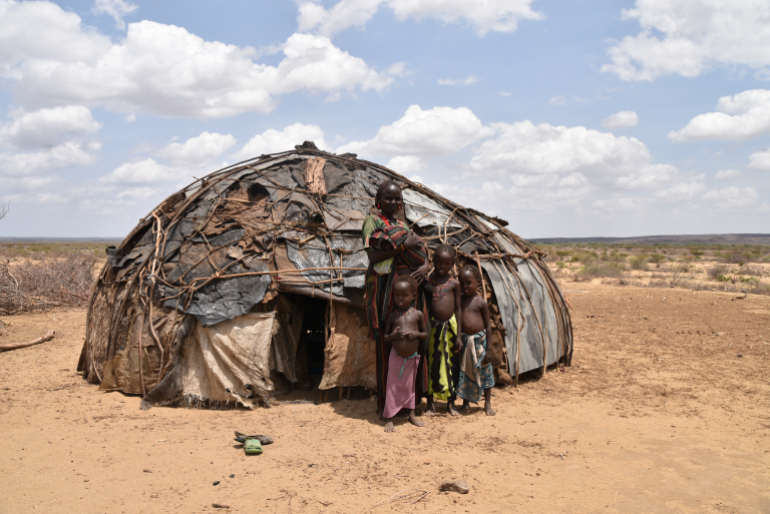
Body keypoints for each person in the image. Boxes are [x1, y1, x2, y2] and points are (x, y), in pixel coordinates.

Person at [362, 180, 430, 415]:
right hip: (386, 288)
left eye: (397, 198)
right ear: (378, 202)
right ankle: (386, 403)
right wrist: (401, 248)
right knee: (387, 340)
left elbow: (419, 246)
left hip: (410, 286)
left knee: (415, 339)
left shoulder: (402, 223)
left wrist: (426, 265)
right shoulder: (373, 221)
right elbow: (373, 256)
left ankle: (411, 401)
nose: (393, 202)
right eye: (389, 198)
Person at [382, 275, 428, 432]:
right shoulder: (393, 316)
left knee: (410, 387)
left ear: (413, 295)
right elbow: (386, 337)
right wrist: (394, 336)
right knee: (392, 386)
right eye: (397, 295)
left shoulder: (417, 314)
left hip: (411, 358)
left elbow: (425, 334)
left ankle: (412, 415)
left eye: (404, 295)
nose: (400, 298)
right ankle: (389, 418)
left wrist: (415, 335)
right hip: (396, 357)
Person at [425, 244, 463, 416]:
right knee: (432, 365)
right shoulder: (427, 284)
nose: (441, 267)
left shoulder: (454, 284)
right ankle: (430, 403)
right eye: (438, 262)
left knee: (450, 366)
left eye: (446, 264)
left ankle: (450, 403)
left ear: (452, 264)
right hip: (432, 329)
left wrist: (459, 336)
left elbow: (459, 310)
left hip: (449, 330)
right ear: (432, 261)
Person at [457, 265, 496, 416]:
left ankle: (487, 403)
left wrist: (489, 349)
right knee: (466, 372)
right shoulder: (459, 301)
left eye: (469, 282)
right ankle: (465, 404)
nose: (465, 286)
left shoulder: (480, 303)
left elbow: (488, 326)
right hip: (466, 343)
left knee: (485, 372)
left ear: (478, 282)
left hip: (480, 343)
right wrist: (459, 337)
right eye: (462, 283)